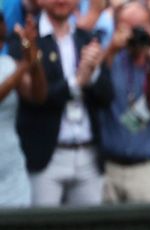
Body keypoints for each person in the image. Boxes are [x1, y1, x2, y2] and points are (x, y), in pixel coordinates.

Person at [8, 0, 113, 207]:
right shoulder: (24, 39)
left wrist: (93, 74)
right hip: (46, 157)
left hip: (88, 155)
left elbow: (108, 96)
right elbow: (36, 98)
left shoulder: (88, 38)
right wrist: (76, 82)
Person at [97, 0, 150, 203]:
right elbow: (94, 89)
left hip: (146, 168)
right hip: (107, 167)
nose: (135, 34)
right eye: (128, 27)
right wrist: (112, 49)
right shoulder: (109, 57)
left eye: (140, 27)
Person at [0, 14, 43, 207]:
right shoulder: (16, 69)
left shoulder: (8, 65)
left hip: (11, 172)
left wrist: (33, 59)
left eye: (2, 38)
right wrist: (25, 65)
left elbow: (38, 96)